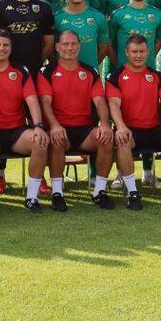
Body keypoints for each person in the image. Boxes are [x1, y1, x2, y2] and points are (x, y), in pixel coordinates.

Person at [0, 0, 55, 194]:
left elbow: (48, 43)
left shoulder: (43, 8)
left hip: (34, 75)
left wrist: (35, 63)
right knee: (1, 121)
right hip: (4, 76)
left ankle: (40, 176)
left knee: (37, 123)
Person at [106, 34, 161, 210]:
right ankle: (132, 193)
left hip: (154, 129)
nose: (138, 55)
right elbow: (113, 104)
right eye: (134, 52)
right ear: (127, 52)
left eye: (142, 51)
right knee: (122, 140)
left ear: (148, 52)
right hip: (130, 130)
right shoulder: (116, 75)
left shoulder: (156, 76)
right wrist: (121, 127)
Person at [0, 30, 50, 213]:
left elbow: (31, 100)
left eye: (5, 45)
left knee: (41, 142)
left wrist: (38, 126)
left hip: (16, 132)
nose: (1, 49)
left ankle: (32, 197)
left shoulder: (21, 71)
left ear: (11, 48)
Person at [38, 30, 115, 211]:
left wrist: (104, 124)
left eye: (73, 44)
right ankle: (57, 193)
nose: (69, 48)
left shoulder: (90, 71)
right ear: (57, 47)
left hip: (85, 130)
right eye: (65, 44)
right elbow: (45, 102)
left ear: (79, 47)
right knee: (56, 140)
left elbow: (99, 102)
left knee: (107, 138)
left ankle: (99, 191)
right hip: (60, 128)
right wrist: (55, 125)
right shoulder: (47, 71)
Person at [108, 0, 161, 187]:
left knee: (150, 121)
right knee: (121, 123)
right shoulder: (117, 15)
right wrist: (119, 65)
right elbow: (110, 43)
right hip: (124, 77)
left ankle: (149, 173)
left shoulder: (157, 15)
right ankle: (120, 174)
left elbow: (158, 41)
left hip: (148, 76)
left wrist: (148, 61)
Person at [53, 0, 109, 69]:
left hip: (90, 75)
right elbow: (52, 49)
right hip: (64, 73)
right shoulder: (57, 18)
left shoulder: (98, 17)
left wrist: (90, 68)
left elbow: (103, 48)